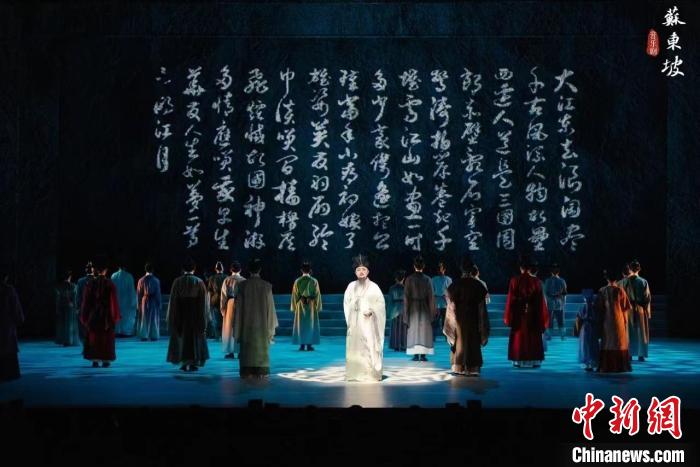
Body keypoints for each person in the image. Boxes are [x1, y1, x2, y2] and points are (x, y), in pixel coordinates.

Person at [343, 255, 386, 382]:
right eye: (358, 270)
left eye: (363, 269)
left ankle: (370, 373)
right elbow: (346, 304)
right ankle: (355, 373)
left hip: (369, 324)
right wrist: (351, 313)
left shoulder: (374, 287)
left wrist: (372, 311)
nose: (361, 272)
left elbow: (381, 305)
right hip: (355, 323)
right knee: (355, 348)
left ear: (368, 271)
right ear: (355, 272)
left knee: (369, 347)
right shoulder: (351, 286)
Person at [233, 259, 278, 378]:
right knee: (261, 352)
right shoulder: (266, 286)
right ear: (260, 270)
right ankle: (260, 370)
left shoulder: (242, 286)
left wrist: (237, 330)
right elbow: (271, 310)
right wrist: (271, 330)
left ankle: (247, 370)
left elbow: (238, 311)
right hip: (262, 327)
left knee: (247, 354)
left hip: (246, 327)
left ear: (248, 270)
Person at [445, 258, 489, 376]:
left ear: (461, 269)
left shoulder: (455, 285)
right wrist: (483, 328)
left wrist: (450, 326)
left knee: (459, 342)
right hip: (473, 319)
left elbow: (451, 308)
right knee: (473, 342)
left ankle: (459, 367)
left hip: (459, 319)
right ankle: (472, 368)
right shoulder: (478, 285)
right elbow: (482, 310)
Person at [503, 258, 549, 368]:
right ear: (529, 268)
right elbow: (540, 301)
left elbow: (510, 300)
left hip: (518, 314)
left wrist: (509, 316)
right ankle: (534, 361)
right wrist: (542, 318)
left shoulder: (514, 280)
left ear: (521, 268)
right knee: (532, 337)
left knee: (519, 337)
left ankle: (518, 360)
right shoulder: (536, 281)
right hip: (533, 314)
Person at [166, 258, 209, 372]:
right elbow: (204, 302)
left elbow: (173, 300)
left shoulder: (177, 281)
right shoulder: (199, 282)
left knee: (183, 337)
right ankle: (193, 361)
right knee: (194, 338)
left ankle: (184, 362)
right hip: (195, 312)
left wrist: (172, 317)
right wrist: (204, 317)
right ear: (194, 268)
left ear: (183, 269)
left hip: (181, 312)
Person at [80, 258, 121, 368]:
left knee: (94, 336)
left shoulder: (90, 284)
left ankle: (95, 359)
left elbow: (86, 301)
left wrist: (84, 315)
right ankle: (105, 360)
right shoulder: (110, 284)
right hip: (106, 315)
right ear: (105, 270)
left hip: (93, 314)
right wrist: (114, 316)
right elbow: (113, 301)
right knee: (105, 337)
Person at [597, 270, 632, 373]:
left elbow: (599, 308)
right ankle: (620, 366)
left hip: (607, 320)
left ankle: (607, 366)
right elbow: (625, 308)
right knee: (618, 341)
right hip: (618, 320)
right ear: (616, 279)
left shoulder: (602, 291)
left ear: (606, 279)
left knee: (608, 341)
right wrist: (625, 321)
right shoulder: (620, 290)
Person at [404, 256, 436, 361]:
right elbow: (431, 297)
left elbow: (406, 297)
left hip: (413, 307)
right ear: (423, 266)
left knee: (414, 329)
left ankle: (415, 354)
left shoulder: (409, 279)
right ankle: (422, 355)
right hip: (424, 307)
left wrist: (406, 312)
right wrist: (432, 312)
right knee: (423, 330)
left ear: (414, 266)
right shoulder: (427, 279)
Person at [622, 260, 651, 362]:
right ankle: (641, 354)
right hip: (640, 309)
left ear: (630, 269)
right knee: (640, 332)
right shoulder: (643, 282)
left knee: (628, 332)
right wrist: (647, 311)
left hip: (627, 310)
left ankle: (629, 353)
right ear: (639, 269)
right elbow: (647, 298)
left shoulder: (623, 282)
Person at [291, 261, 322, 351]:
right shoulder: (314, 281)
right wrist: (318, 306)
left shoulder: (298, 281)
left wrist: (294, 306)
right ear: (310, 270)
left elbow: (295, 295)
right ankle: (309, 345)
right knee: (310, 325)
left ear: (301, 270)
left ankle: (302, 345)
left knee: (301, 325)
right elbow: (317, 294)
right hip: (311, 304)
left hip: (301, 304)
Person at [0, 267, 24, 382]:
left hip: (6, 323)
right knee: (8, 348)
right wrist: (19, 319)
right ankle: (9, 373)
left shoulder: (9, 290)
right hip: (6, 324)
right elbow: (15, 307)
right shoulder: (8, 290)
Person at [220, 261, 245, 359]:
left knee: (229, 328)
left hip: (230, 304)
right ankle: (240, 351)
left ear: (231, 270)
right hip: (241, 304)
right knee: (240, 327)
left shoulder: (227, 280)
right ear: (240, 270)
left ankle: (230, 351)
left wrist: (223, 309)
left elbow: (223, 296)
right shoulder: (243, 280)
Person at [136, 263, 162, 341]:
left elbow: (138, 293)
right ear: (153, 270)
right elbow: (158, 293)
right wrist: (159, 303)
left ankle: (144, 335)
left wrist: (138, 304)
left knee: (144, 317)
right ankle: (153, 335)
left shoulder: (141, 280)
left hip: (144, 300)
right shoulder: (156, 280)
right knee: (153, 318)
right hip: (153, 300)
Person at [55, 270, 81, 346]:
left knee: (62, 323)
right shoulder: (73, 286)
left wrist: (57, 308)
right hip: (70, 307)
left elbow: (58, 298)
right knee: (70, 324)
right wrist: (76, 307)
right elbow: (75, 298)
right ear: (70, 277)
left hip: (62, 306)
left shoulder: (59, 286)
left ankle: (62, 340)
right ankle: (69, 340)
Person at [576, 289, 599, 371]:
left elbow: (579, 318)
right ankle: (591, 363)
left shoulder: (583, 307)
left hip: (586, 327)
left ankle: (588, 363)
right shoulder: (594, 307)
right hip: (591, 327)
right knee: (591, 345)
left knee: (586, 345)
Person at [112, 263, 137, 337]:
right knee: (126, 316)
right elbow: (131, 290)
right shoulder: (129, 276)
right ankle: (125, 331)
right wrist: (133, 302)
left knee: (118, 315)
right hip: (126, 300)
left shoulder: (113, 276)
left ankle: (117, 330)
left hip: (117, 299)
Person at [543, 264, 568, 340]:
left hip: (557, 303)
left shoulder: (561, 280)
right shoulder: (548, 281)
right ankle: (550, 335)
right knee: (551, 321)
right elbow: (545, 292)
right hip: (552, 303)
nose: (554, 271)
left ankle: (562, 335)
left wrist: (562, 301)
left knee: (560, 320)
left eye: (555, 269)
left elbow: (564, 292)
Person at [431, 261, 452, 341]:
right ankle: (433, 337)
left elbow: (451, 291)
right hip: (436, 303)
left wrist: (446, 296)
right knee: (435, 321)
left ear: (444, 269)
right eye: (438, 269)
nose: (439, 270)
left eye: (441, 268)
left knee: (445, 321)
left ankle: (447, 337)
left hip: (445, 303)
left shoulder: (448, 279)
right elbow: (431, 291)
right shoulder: (433, 279)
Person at [206, 262, 227, 340]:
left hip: (215, 299)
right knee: (224, 318)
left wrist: (208, 303)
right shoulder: (226, 277)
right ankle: (223, 335)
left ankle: (217, 336)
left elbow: (209, 291)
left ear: (215, 269)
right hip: (224, 299)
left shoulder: (212, 278)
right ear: (223, 269)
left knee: (215, 318)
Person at [388, 270, 407, 351]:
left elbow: (390, 301)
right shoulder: (406, 288)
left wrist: (389, 312)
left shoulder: (392, 288)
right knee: (403, 328)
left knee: (395, 328)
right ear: (403, 278)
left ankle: (396, 345)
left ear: (396, 278)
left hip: (395, 308)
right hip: (403, 308)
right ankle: (403, 345)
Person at [75, 261, 95, 341]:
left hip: (85, 307)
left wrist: (78, 307)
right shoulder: (95, 280)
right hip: (92, 307)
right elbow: (78, 295)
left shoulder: (81, 281)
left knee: (85, 327)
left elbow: (78, 296)